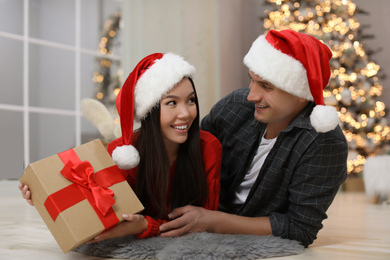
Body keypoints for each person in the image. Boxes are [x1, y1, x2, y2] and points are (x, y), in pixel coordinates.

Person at [158, 29, 348, 247]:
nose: (251, 95)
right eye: (252, 81)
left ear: (299, 92)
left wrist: (212, 222)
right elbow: (189, 155)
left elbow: (299, 228)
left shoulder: (323, 142)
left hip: (227, 230)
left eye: (266, 86)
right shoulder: (235, 107)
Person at [19, 52, 222, 242]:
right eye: (171, 103)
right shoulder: (122, 153)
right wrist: (44, 194)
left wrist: (144, 226)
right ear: (149, 111)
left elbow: (200, 224)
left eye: (191, 100)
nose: (185, 113)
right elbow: (103, 214)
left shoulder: (208, 148)